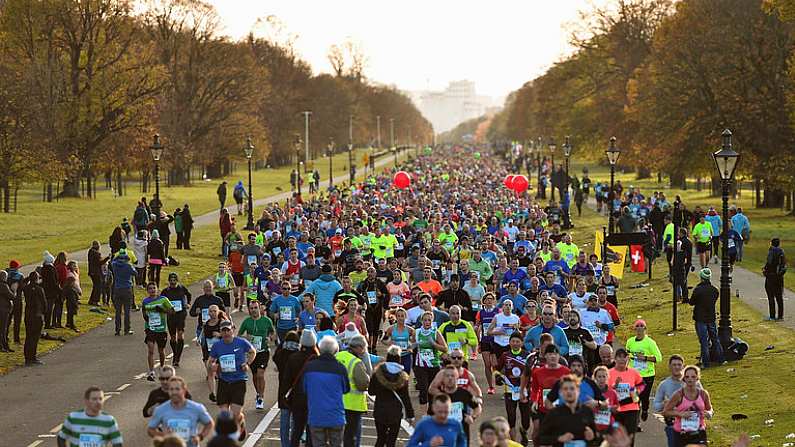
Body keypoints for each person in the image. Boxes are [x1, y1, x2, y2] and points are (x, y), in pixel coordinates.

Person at [207, 320, 256, 441]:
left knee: (235, 414)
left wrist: (247, 363)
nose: (226, 333)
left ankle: (241, 424)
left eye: (228, 330)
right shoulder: (217, 346)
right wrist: (212, 366)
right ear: (220, 332)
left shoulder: (241, 342)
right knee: (224, 415)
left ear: (232, 330)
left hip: (239, 381)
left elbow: (252, 351)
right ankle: (230, 438)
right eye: (223, 331)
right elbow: (210, 360)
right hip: (224, 381)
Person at [303, 336, 350, 447]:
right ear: (335, 350)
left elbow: (304, 389)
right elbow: (346, 389)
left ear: (320, 349)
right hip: (336, 415)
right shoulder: (340, 368)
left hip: (316, 415)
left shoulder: (309, 367)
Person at [368, 346, 415, 447]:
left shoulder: (378, 373)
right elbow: (405, 397)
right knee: (391, 441)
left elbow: (371, 392)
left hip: (380, 410)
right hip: (395, 412)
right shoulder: (403, 376)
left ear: (387, 356)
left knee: (380, 439)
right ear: (399, 358)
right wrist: (410, 414)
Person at [147, 376, 214, 447]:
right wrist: (165, 437)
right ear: (168, 391)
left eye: (177, 389)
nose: (174, 392)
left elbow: (209, 424)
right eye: (171, 389)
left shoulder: (196, 408)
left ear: (184, 390)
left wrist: (200, 437)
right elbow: (151, 429)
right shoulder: (161, 410)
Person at [538, 374, 597, 447]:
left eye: (572, 388)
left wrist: (592, 438)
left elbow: (595, 439)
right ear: (561, 393)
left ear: (578, 390)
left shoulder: (587, 411)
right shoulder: (554, 413)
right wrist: (558, 438)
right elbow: (540, 438)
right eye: (565, 389)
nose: (569, 392)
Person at [494, 332, 531, 443]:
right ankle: (514, 442)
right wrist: (498, 377)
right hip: (509, 389)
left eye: (517, 341)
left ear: (522, 343)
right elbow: (495, 369)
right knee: (511, 417)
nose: (515, 343)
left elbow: (532, 372)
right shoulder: (505, 355)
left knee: (526, 419)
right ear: (509, 342)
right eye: (513, 341)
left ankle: (524, 433)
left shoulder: (527, 355)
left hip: (524, 390)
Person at [238, 301, 275, 410]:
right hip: (251, 353)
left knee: (260, 374)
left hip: (263, 351)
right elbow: (238, 336)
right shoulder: (246, 322)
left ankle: (261, 397)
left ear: (260, 309)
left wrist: (270, 338)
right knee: (254, 376)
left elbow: (273, 333)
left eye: (255, 308)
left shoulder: (266, 321)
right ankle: (258, 393)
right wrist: (246, 338)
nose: (253, 310)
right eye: (251, 308)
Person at [662, 365, 713, 447]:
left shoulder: (703, 394)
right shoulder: (678, 394)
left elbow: (710, 409)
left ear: (697, 378)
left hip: (699, 432)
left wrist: (709, 413)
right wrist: (680, 414)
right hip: (681, 433)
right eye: (687, 377)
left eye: (693, 377)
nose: (690, 379)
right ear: (684, 379)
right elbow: (665, 412)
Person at [284, 330, 319, 447]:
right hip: (313, 399)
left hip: (297, 399)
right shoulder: (317, 359)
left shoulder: (293, 357)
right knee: (310, 430)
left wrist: (285, 396)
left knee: (297, 430)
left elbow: (287, 380)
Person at [625, 319, 662, 423]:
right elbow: (627, 355)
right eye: (637, 325)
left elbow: (658, 358)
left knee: (644, 397)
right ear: (634, 328)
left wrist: (645, 358)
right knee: (635, 398)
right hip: (634, 375)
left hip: (647, 374)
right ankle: (636, 421)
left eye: (642, 326)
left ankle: (645, 410)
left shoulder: (650, 343)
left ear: (645, 329)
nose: (640, 327)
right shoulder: (630, 341)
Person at [336, 334, 371, 447]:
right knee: (351, 436)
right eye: (364, 348)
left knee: (336, 435)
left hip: (336, 401)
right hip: (353, 405)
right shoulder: (356, 362)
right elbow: (363, 384)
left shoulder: (338, 355)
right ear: (359, 347)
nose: (364, 351)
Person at [57, 386, 123, 447]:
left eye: (100, 399)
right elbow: (61, 438)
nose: (98, 402)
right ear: (86, 401)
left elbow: (117, 443)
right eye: (94, 399)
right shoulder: (73, 418)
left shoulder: (109, 420)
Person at [686, 269, 724, 368]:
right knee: (715, 339)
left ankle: (706, 362)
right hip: (711, 317)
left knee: (704, 341)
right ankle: (721, 359)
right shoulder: (714, 290)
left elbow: (692, 302)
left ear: (701, 278)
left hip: (700, 318)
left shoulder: (698, 290)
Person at [608, 348, 645, 445]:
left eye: (624, 357)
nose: (622, 359)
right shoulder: (609, 373)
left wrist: (637, 391)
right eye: (619, 357)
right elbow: (605, 390)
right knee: (616, 437)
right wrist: (615, 386)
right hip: (616, 409)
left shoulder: (633, 372)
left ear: (627, 359)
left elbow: (642, 384)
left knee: (629, 437)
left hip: (631, 408)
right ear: (615, 359)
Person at [142, 282, 175, 381]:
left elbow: (172, 312)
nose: (152, 290)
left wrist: (162, 310)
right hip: (150, 329)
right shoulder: (145, 301)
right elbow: (144, 312)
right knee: (151, 350)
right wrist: (147, 320)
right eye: (150, 289)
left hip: (161, 329)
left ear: (157, 289)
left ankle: (161, 367)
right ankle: (151, 372)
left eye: (154, 288)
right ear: (147, 291)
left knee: (161, 351)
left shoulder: (163, 300)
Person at [414, 311, 448, 407]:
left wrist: (434, 344)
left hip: (434, 365)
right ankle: (424, 414)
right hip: (420, 365)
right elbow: (411, 345)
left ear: (432, 321)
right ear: (421, 321)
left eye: (429, 320)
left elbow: (445, 348)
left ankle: (432, 412)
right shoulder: (417, 332)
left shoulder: (435, 332)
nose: (427, 322)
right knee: (423, 391)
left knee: (433, 390)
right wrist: (411, 347)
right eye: (425, 320)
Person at [273, 330, 301, 447]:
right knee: (295, 421)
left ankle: (285, 444)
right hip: (296, 391)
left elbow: (275, 357)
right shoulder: (298, 355)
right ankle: (294, 443)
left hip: (283, 390)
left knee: (284, 421)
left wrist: (281, 345)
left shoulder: (280, 354)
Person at [653, 354, 687, 447]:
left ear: (683, 366)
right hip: (673, 422)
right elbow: (655, 406)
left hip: (690, 422)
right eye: (674, 365)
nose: (677, 367)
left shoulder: (691, 382)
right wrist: (664, 404)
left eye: (679, 365)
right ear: (669, 367)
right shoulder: (664, 384)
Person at [162, 273, 191, 367]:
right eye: (171, 280)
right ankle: (175, 354)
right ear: (169, 281)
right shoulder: (165, 291)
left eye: (174, 280)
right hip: (171, 316)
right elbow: (161, 301)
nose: (173, 282)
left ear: (177, 281)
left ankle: (177, 358)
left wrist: (188, 304)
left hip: (181, 314)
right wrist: (165, 309)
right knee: (173, 337)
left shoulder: (182, 288)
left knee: (180, 335)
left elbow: (189, 295)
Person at [23, 271, 47, 366]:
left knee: (28, 336)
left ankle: (27, 357)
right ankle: (32, 357)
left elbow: (23, 283)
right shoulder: (39, 289)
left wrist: (28, 279)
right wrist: (44, 313)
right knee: (35, 337)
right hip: (37, 315)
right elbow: (44, 303)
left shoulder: (26, 289)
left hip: (28, 314)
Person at [111, 251, 137, 336]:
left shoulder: (114, 265)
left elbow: (113, 261)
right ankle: (127, 329)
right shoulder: (128, 266)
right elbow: (135, 273)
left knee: (118, 311)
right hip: (127, 288)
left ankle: (117, 330)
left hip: (117, 288)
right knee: (127, 311)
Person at [763, 237, 786, 320]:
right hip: (779, 277)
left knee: (771, 296)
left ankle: (772, 315)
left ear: (771, 243)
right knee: (779, 297)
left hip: (771, 276)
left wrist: (765, 271)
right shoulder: (781, 252)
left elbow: (769, 263)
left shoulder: (771, 251)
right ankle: (780, 316)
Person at [88, 240, 109, 306]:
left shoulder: (90, 252)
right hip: (96, 272)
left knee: (95, 286)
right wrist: (107, 258)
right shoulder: (97, 254)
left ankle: (92, 300)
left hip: (91, 271)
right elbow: (100, 262)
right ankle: (96, 300)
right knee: (98, 286)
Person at [0, 271, 12, 352]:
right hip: (3, 309)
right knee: (3, 329)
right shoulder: (3, 286)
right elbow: (11, 296)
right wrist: (14, 290)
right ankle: (3, 346)